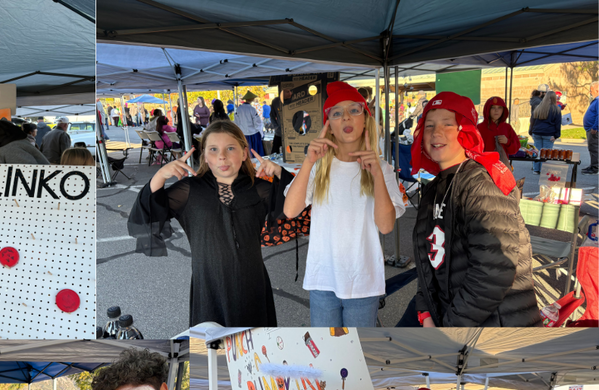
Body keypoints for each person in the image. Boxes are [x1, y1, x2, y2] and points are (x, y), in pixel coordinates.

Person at [129, 119, 293, 329]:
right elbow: (145, 216)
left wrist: (280, 174)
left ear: (244, 153)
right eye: (213, 149)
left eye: (230, 148)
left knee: (254, 349)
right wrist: (160, 176)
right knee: (210, 353)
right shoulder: (189, 190)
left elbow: (296, 208)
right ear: (204, 154)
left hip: (251, 283)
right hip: (208, 286)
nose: (222, 156)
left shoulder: (259, 189)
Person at [411, 93, 540, 327]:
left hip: (496, 329)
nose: (436, 132)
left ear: (465, 131)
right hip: (450, 319)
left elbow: (493, 273)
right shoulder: (433, 189)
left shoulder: (481, 184)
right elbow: (427, 259)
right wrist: (426, 313)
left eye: (447, 124)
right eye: (429, 126)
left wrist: (448, 330)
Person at [283, 82, 404, 328]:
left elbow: (386, 226)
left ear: (365, 119)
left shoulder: (382, 169)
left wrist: (377, 175)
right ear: (329, 126)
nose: (346, 116)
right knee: (328, 355)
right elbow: (290, 210)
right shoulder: (318, 167)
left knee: (358, 353)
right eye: (336, 113)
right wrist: (308, 162)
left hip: (363, 281)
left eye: (354, 110)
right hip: (323, 278)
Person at [529, 89, 562, 173]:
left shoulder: (538, 108)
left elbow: (532, 120)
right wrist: (556, 135)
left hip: (537, 132)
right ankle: (544, 170)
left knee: (537, 152)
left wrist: (531, 131)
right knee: (546, 153)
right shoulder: (556, 109)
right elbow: (557, 124)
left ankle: (536, 169)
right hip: (549, 133)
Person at [233, 90, 265, 155]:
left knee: (246, 154)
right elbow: (257, 123)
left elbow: (236, 122)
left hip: (243, 134)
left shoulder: (239, 109)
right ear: (252, 99)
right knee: (255, 153)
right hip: (253, 134)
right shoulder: (252, 109)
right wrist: (261, 133)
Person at [583, 81, 598, 176]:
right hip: (591, 128)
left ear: (597, 90)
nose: (590, 92)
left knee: (594, 148)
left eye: (591, 90)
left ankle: (595, 167)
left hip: (594, 129)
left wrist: (595, 127)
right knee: (592, 148)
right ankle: (593, 165)